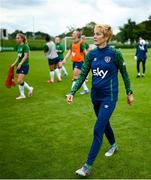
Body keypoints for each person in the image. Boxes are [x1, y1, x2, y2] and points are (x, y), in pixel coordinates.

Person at [66, 24, 134, 176]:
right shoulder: (91, 54)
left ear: (106, 37)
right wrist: (72, 91)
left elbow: (124, 74)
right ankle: (114, 145)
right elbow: (83, 74)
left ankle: (87, 167)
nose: (94, 36)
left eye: (97, 34)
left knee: (98, 128)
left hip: (109, 97)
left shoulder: (115, 53)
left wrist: (129, 92)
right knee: (104, 123)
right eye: (94, 34)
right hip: (95, 97)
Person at [63, 31, 89, 95]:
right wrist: (64, 59)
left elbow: (86, 53)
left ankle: (72, 93)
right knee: (79, 77)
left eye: (74, 33)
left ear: (77, 35)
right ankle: (86, 89)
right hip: (74, 62)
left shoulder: (81, 43)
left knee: (75, 77)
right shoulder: (72, 43)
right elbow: (69, 52)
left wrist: (90, 60)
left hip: (80, 62)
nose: (72, 34)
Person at [11, 33, 33, 100]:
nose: (16, 39)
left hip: (24, 65)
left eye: (18, 38)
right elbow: (18, 56)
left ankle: (29, 89)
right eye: (16, 38)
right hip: (19, 65)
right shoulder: (18, 46)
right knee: (19, 80)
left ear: (22, 39)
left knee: (19, 80)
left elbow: (25, 56)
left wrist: (20, 63)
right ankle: (23, 94)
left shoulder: (25, 46)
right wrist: (14, 63)